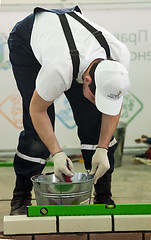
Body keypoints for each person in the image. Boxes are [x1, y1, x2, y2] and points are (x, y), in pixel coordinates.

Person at [8, 5, 130, 215]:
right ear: (87, 79)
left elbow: (113, 104)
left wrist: (102, 148)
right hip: (27, 41)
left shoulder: (118, 58)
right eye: (96, 96)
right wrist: (56, 152)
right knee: (37, 134)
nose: (97, 102)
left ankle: (103, 196)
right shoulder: (59, 68)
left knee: (95, 121)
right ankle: (21, 198)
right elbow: (37, 111)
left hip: (73, 46)